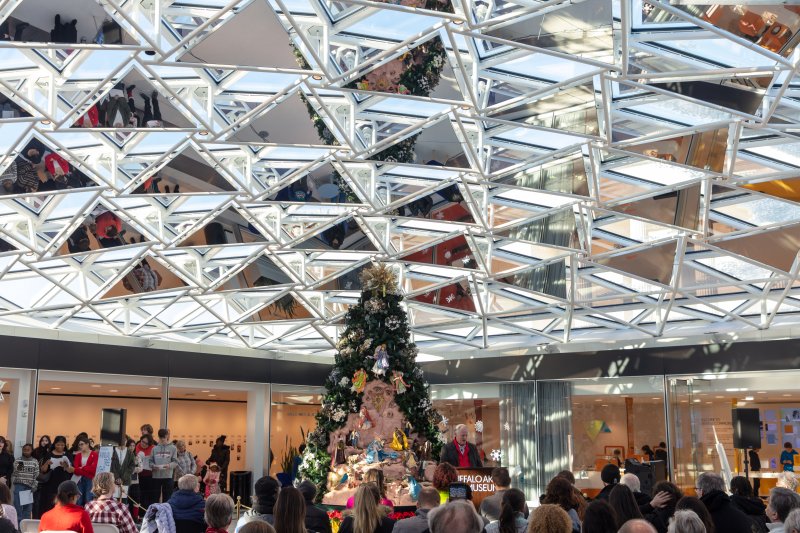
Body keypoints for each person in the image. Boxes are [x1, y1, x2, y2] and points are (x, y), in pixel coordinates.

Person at [37, 435, 72, 517]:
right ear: (54, 444)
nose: (60, 446)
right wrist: (47, 463)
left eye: (62, 445)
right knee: (50, 502)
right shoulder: (49, 454)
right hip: (51, 482)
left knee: (63, 501)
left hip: (63, 481)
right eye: (58, 444)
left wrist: (66, 466)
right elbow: (43, 470)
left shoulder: (68, 455)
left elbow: (71, 470)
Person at [13, 443, 38, 521]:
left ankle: (25, 528)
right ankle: (18, 528)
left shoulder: (35, 461)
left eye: (28, 450)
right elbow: (16, 473)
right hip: (19, 486)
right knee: (18, 508)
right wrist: (22, 461)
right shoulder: (18, 460)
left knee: (27, 509)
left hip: (29, 487)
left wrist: (34, 485)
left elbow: (36, 475)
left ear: (31, 451)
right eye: (24, 450)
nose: (26, 451)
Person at [152, 428, 178, 503]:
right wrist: (153, 466)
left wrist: (169, 465)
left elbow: (175, 462)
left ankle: (166, 513)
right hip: (156, 476)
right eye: (160, 437)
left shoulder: (173, 448)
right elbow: (150, 462)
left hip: (168, 476)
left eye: (164, 437)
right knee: (155, 497)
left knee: (167, 498)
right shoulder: (154, 448)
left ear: (167, 436)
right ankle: (155, 513)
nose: (162, 439)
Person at [71, 437, 98, 506]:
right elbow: (76, 470)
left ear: (87, 444)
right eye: (79, 445)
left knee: (88, 498)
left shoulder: (94, 454)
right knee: (78, 500)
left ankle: (88, 515)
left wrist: (82, 467)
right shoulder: (78, 455)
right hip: (78, 479)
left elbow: (93, 469)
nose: (80, 446)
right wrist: (86, 468)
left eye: (82, 444)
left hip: (90, 479)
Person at [110, 438, 136, 502]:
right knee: (114, 500)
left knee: (124, 501)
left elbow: (132, 466)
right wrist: (116, 477)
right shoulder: (112, 451)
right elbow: (111, 466)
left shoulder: (130, 453)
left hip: (126, 481)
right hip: (113, 480)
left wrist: (123, 478)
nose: (122, 441)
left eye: (124, 440)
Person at [137, 433, 156, 510]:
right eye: (142, 441)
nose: (143, 444)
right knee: (140, 494)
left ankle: (147, 511)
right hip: (138, 475)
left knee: (148, 494)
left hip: (150, 475)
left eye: (146, 443)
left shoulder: (153, 448)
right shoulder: (136, 446)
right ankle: (140, 512)